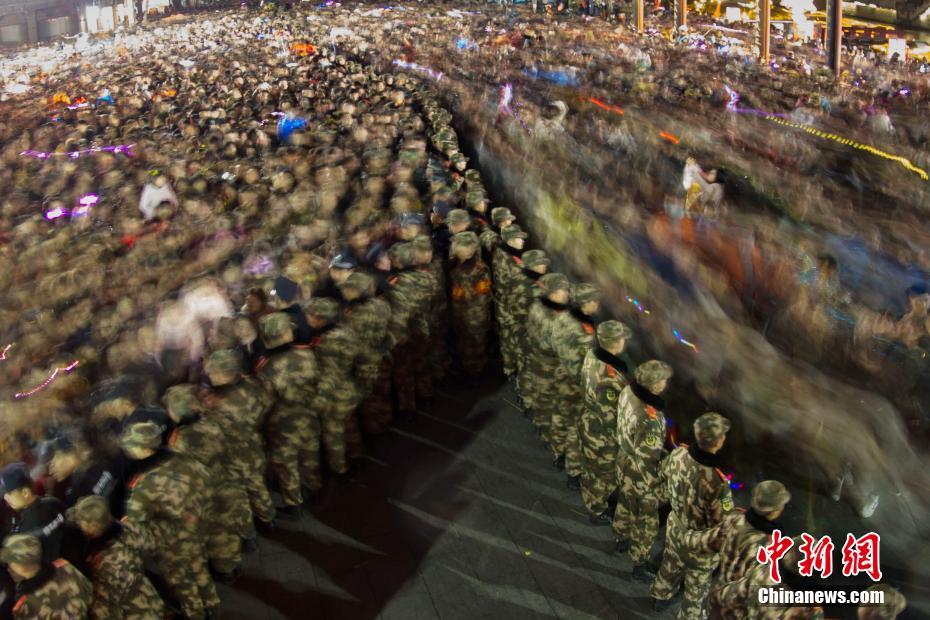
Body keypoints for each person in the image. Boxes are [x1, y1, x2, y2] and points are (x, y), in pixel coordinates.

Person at [121, 421, 218, 620]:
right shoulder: (180, 457)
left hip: (171, 541)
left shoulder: (144, 482)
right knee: (199, 566)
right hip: (196, 525)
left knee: (181, 579)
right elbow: (206, 480)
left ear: (143, 448)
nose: (127, 448)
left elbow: (137, 519)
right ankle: (212, 603)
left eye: (131, 445)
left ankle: (195, 613)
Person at [651, 413, 736, 619]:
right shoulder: (718, 482)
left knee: (670, 562)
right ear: (718, 442)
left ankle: (660, 596)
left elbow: (662, 474)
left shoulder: (679, 454)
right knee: (697, 585)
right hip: (699, 540)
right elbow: (724, 521)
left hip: (676, 524)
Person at [689, 480, 792, 619]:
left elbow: (707, 542)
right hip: (736, 611)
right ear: (775, 511)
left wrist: (683, 537)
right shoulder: (769, 550)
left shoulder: (735, 518)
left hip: (719, 595)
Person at [613, 360, 673, 582]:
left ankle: (620, 537)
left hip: (623, 460)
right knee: (647, 522)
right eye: (664, 380)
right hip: (639, 474)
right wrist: (665, 475)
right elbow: (648, 460)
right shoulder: (651, 418)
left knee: (624, 502)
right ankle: (639, 563)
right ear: (655, 385)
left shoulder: (628, 390)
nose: (666, 383)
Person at [204, 349, 277, 531]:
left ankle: (248, 533)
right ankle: (268, 518)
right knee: (257, 484)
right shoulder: (250, 383)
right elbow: (267, 402)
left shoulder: (219, 403)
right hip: (254, 443)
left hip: (234, 454)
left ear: (224, 374)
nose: (210, 375)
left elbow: (210, 430)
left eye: (213, 372)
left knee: (238, 493)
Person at [257, 312, 320, 515]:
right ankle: (313, 486)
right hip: (310, 413)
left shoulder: (268, 367)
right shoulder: (307, 353)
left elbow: (265, 401)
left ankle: (294, 503)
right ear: (285, 333)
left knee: (286, 462)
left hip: (284, 421)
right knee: (310, 450)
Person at [66, 495, 165, 619]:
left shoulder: (108, 562)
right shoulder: (126, 528)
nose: (80, 526)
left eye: (82, 522)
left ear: (94, 526)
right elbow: (150, 543)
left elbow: (107, 602)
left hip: (137, 612)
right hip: (151, 598)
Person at [579, 320, 632, 524]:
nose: (624, 343)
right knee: (605, 475)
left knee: (592, 469)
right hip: (601, 434)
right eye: (622, 339)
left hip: (588, 422)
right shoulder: (609, 377)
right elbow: (610, 418)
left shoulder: (592, 355)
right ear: (615, 343)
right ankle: (597, 510)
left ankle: (591, 499)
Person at [305, 297, 362, 476]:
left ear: (319, 319)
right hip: (350, 388)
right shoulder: (345, 331)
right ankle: (357, 453)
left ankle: (340, 468)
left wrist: (318, 402)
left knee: (334, 434)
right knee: (350, 424)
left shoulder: (326, 342)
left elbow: (330, 375)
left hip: (335, 397)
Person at [552, 283, 600, 490]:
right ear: (585, 304)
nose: (597, 305)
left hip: (561, 376)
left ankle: (558, 454)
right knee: (576, 428)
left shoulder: (563, 317)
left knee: (560, 416)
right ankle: (574, 472)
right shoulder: (584, 331)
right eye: (595, 301)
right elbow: (582, 363)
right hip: (575, 384)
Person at [522, 273, 572, 463]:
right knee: (548, 405)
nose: (566, 294)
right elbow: (548, 344)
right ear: (551, 293)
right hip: (547, 367)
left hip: (551, 367)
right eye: (562, 291)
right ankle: (551, 443)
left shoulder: (550, 309)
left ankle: (553, 441)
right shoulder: (546, 315)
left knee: (552, 407)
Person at [0, 533, 92, 619]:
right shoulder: (65, 566)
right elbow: (89, 594)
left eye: (10, 563)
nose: (8, 566)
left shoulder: (26, 605)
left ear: (22, 566)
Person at [1, 463, 66, 564]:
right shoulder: (53, 502)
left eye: (9, 493)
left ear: (25, 493)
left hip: (54, 573)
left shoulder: (26, 528)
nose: (5, 498)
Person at [448, 231, 493, 376]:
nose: (454, 249)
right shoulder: (458, 264)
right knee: (464, 343)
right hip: (460, 313)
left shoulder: (478, 270)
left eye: (457, 247)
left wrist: (468, 313)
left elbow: (482, 296)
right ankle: (467, 366)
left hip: (473, 314)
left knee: (475, 345)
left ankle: (475, 371)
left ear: (469, 250)